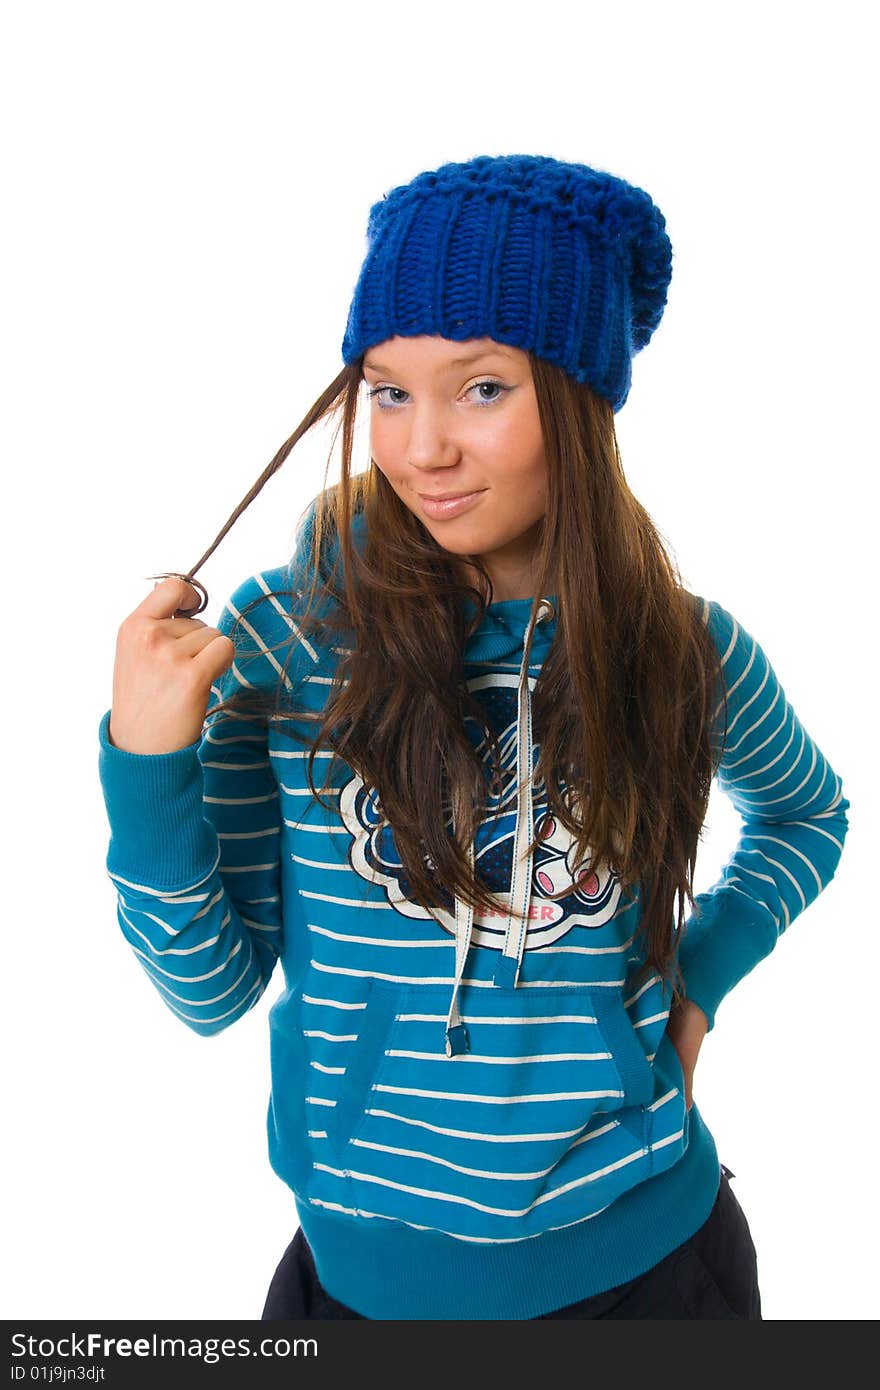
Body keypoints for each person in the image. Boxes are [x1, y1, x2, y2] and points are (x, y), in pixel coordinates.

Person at [97, 153, 850, 1320]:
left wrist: (697, 981)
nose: (422, 448)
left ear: (580, 400)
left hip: (649, 1276)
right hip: (355, 1290)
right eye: (388, 391)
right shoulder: (287, 642)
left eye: (482, 388)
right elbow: (209, 989)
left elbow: (810, 812)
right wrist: (145, 769)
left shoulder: (681, 651)